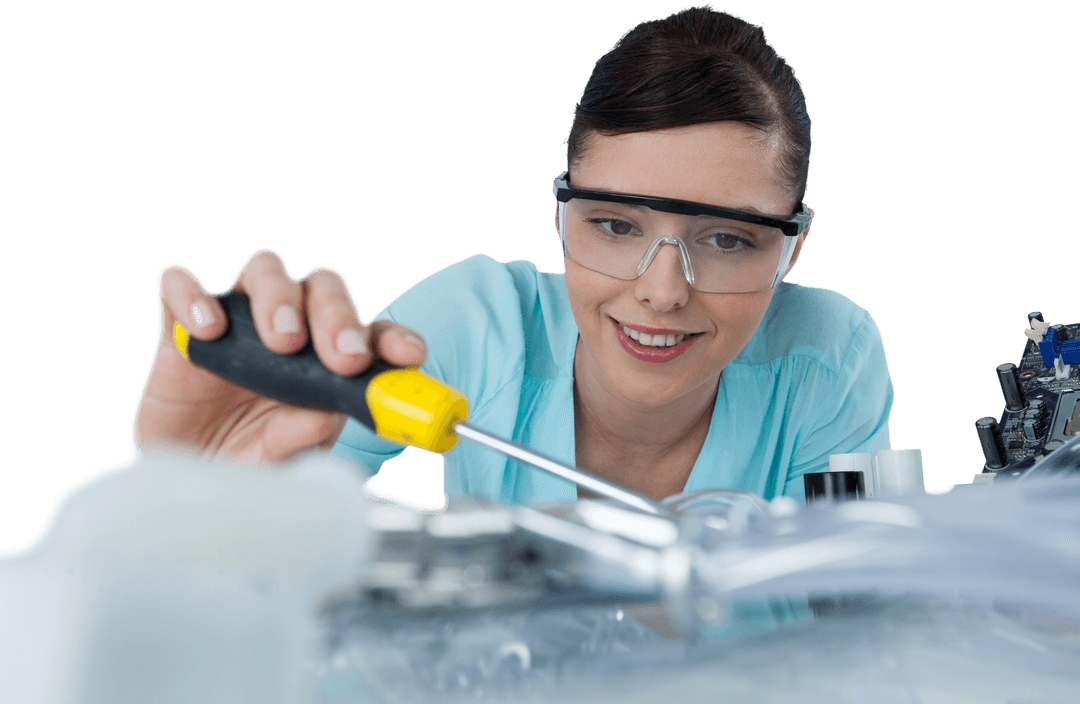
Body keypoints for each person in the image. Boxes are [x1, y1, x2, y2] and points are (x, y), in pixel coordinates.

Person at [132, 6, 893, 507]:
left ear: (793, 247)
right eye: (615, 226)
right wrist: (203, 500)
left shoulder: (827, 364)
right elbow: (266, 558)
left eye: (727, 240)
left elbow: (865, 622)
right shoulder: (473, 326)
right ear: (561, 217)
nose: (662, 292)